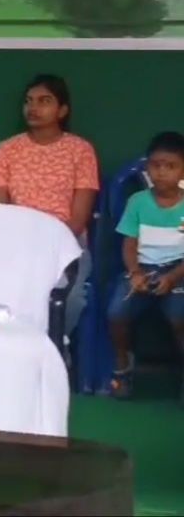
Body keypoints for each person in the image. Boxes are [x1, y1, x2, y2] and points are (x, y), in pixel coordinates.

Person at [0, 74, 99, 334]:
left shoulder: (80, 150)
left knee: (68, 300)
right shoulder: (8, 149)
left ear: (62, 110)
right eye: (28, 101)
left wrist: (48, 245)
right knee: (3, 294)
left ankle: (54, 348)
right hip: (16, 243)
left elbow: (78, 220)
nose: (33, 107)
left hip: (65, 244)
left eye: (44, 101)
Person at [105, 131, 184, 399]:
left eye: (170, 166)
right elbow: (129, 244)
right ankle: (121, 367)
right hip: (141, 269)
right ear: (147, 167)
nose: (161, 172)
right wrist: (135, 273)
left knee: (179, 318)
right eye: (155, 165)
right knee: (116, 313)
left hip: (178, 272)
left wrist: (172, 277)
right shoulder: (137, 202)